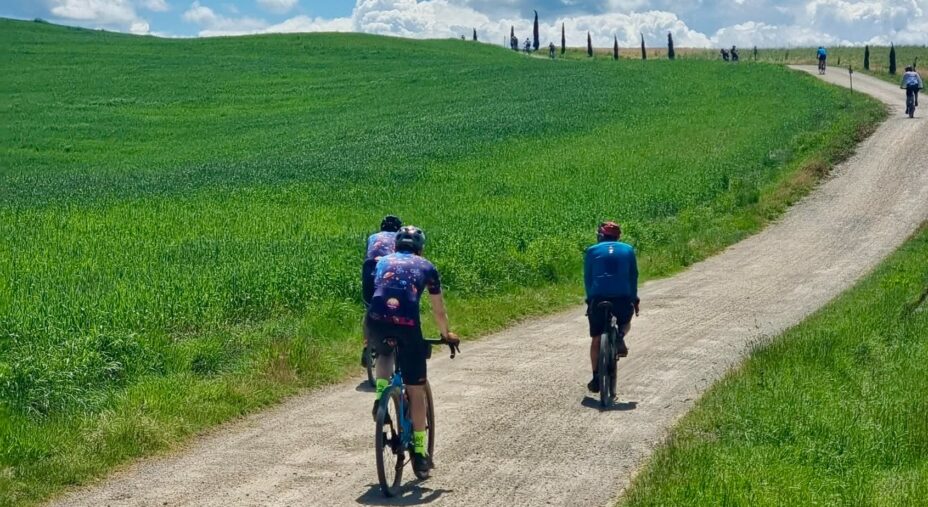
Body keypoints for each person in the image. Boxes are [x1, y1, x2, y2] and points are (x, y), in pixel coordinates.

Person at [367, 226, 459, 475]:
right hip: (408, 325)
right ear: (420, 248)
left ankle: (380, 399)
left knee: (385, 352)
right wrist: (446, 335)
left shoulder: (382, 261)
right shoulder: (427, 266)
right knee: (416, 391)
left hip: (375, 320)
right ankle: (419, 452)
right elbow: (438, 311)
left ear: (396, 246)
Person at [583, 221, 639, 393]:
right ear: (617, 236)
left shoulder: (591, 251)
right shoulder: (628, 250)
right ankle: (620, 335)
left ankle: (595, 377)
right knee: (625, 320)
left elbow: (588, 277)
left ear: (600, 236)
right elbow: (633, 275)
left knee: (596, 338)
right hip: (622, 298)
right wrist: (634, 298)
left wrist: (590, 298)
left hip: (598, 298)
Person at [361, 215, 402, 366]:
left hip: (370, 270)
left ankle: (367, 346)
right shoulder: (400, 238)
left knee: (369, 308)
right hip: (390, 272)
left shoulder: (373, 237)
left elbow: (368, 255)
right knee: (397, 305)